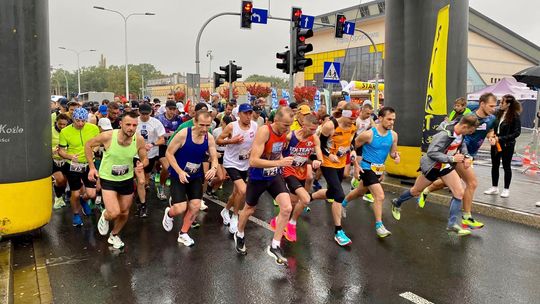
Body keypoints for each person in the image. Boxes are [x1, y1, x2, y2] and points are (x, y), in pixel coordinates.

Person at [391, 115, 480, 236]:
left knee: (459, 192)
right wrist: (452, 158)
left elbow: (462, 144)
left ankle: (452, 224)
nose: (469, 134)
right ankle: (397, 202)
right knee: (416, 191)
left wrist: (467, 156)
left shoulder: (461, 133)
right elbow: (432, 152)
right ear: (464, 126)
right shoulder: (444, 134)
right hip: (433, 166)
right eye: (469, 131)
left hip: (446, 167)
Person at [419, 93, 497, 230]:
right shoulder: (468, 116)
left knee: (446, 182)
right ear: (482, 103)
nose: (493, 108)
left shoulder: (492, 118)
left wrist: (492, 137)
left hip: (472, 153)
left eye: (494, 106)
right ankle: (466, 218)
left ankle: (426, 190)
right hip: (459, 154)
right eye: (491, 105)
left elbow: (490, 130)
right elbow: (457, 135)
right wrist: (464, 156)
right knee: (472, 183)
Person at [234, 107, 294, 266]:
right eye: (285, 125)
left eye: (290, 125)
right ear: (276, 121)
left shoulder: (284, 134)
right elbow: (253, 161)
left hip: (274, 175)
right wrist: (280, 162)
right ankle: (239, 233)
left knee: (287, 208)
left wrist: (281, 161)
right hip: (258, 176)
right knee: (249, 209)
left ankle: (275, 245)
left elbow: (276, 152)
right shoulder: (264, 131)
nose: (287, 129)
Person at [86, 112, 149, 249]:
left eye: (134, 125)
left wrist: (141, 164)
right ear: (120, 124)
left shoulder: (138, 139)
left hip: (126, 179)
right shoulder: (108, 136)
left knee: (124, 212)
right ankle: (105, 215)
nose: (131, 128)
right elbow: (88, 145)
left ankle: (114, 235)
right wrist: (91, 167)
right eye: (128, 124)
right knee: (114, 212)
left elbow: (145, 157)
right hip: (108, 179)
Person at [162, 110, 219, 247]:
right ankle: (169, 214)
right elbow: (169, 153)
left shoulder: (209, 137)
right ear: (195, 122)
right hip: (179, 175)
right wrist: (179, 171)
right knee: (180, 208)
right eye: (202, 125)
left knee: (195, 206)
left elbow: (214, 156)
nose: (205, 129)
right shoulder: (183, 134)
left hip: (195, 175)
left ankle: (183, 233)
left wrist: (214, 168)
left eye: (208, 125)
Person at [341, 107, 400, 238]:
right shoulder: (369, 134)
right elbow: (352, 146)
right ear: (380, 118)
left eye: (393, 120)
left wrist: (396, 156)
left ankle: (343, 203)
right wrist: (355, 165)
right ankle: (379, 226)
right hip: (366, 168)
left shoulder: (394, 136)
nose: (391, 122)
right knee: (379, 196)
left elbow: (392, 153)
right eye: (389, 119)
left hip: (379, 169)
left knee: (360, 191)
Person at [311, 103, 359, 246]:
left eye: (355, 119)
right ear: (345, 114)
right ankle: (338, 231)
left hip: (340, 162)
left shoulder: (353, 127)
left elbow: (351, 142)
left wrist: (353, 151)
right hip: (327, 163)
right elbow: (319, 144)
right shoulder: (330, 126)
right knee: (339, 195)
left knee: (332, 193)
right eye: (351, 118)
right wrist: (329, 155)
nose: (353, 122)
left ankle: (308, 197)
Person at [277, 114, 323, 242]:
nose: (313, 132)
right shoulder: (290, 136)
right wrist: (281, 160)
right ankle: (292, 223)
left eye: (315, 129)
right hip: (288, 170)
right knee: (306, 198)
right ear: (303, 126)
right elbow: (277, 150)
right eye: (311, 129)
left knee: (292, 202)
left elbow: (319, 153)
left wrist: (318, 161)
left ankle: (277, 220)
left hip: (301, 171)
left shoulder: (314, 138)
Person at [216, 104, 258, 234]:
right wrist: (232, 141)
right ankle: (235, 217)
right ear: (239, 114)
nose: (248, 116)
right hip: (231, 163)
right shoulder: (231, 126)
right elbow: (219, 140)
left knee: (236, 193)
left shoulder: (255, 126)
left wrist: (253, 150)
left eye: (250, 113)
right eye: (245, 113)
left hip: (246, 163)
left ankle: (225, 210)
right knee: (242, 190)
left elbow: (257, 141)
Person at [57, 108, 100, 226]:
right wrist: (69, 156)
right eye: (77, 121)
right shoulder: (65, 132)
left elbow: (98, 143)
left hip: (89, 164)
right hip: (73, 165)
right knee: (75, 194)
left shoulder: (93, 128)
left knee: (91, 194)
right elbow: (60, 151)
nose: (80, 123)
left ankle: (83, 200)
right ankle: (76, 214)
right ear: (73, 119)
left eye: (83, 121)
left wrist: (94, 150)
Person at [484, 94, 521, 198]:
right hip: (495, 143)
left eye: (502, 102)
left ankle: (506, 189)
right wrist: (491, 136)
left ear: (508, 104)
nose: (500, 104)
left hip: (507, 144)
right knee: (494, 165)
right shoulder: (498, 114)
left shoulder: (515, 115)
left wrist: (500, 139)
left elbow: (517, 133)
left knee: (506, 166)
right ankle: (494, 187)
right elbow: (493, 127)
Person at [135, 103, 166, 217]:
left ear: (151, 113)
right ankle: (142, 203)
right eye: (142, 114)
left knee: (145, 179)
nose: (144, 116)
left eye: (146, 114)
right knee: (140, 180)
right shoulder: (134, 121)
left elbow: (162, 140)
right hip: (135, 154)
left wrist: (152, 144)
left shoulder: (156, 123)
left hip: (150, 154)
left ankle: (140, 194)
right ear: (138, 112)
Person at [155, 100, 183, 200]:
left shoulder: (178, 118)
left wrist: (174, 134)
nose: (172, 111)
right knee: (167, 168)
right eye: (170, 109)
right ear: (166, 108)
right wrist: (167, 134)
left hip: (174, 146)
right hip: (162, 146)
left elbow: (180, 131)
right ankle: (161, 186)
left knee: (174, 169)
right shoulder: (159, 118)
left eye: (174, 109)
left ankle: (175, 189)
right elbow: (156, 133)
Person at [52, 114, 70, 209]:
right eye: (60, 124)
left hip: (66, 160)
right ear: (56, 122)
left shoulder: (69, 131)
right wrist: (52, 149)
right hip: (54, 159)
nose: (62, 126)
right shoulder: (50, 131)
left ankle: (61, 195)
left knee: (64, 181)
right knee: (59, 179)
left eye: (64, 124)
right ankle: (58, 197)